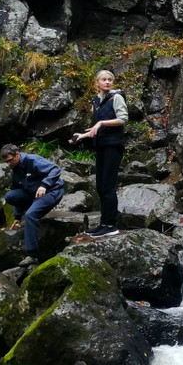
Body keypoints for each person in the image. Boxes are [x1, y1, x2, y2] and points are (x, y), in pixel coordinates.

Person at [71, 69, 127, 238]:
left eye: (110, 79)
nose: (108, 82)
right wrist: (82, 136)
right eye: (104, 79)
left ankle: (111, 225)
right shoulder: (96, 101)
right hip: (101, 146)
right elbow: (96, 129)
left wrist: (101, 123)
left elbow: (123, 119)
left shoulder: (116, 98)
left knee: (108, 186)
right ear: (97, 83)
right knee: (101, 186)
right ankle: (104, 223)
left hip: (113, 146)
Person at [0, 143, 64, 267]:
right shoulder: (15, 169)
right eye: (6, 162)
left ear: (17, 154)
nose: (9, 164)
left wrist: (44, 185)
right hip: (33, 194)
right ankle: (29, 212)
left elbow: (55, 169)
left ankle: (32, 255)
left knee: (31, 215)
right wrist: (17, 217)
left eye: (10, 160)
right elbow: (17, 190)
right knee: (10, 196)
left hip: (52, 191)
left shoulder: (33, 160)